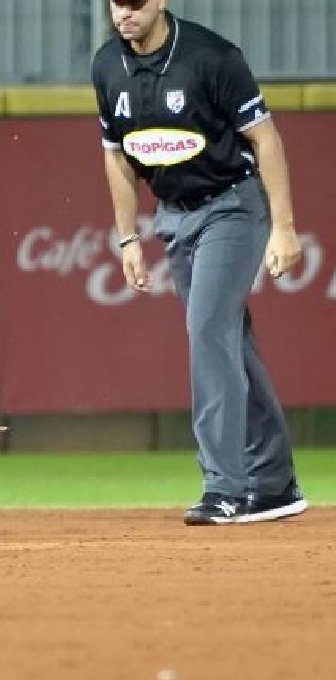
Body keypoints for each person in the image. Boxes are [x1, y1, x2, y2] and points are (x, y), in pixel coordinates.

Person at [91, 0, 306, 525]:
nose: (126, 14)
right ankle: (275, 485)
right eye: (118, 4)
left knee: (207, 331)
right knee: (229, 341)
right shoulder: (106, 65)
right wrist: (127, 239)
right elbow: (116, 155)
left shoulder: (212, 57)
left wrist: (284, 226)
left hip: (232, 206)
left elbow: (266, 139)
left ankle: (224, 488)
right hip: (173, 217)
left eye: (137, 4)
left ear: (161, 2)